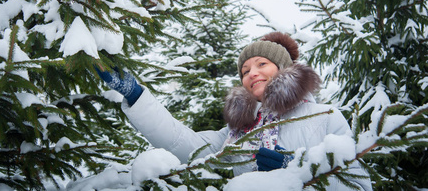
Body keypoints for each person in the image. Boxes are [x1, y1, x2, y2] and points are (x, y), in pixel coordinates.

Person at [96, 32, 372, 190]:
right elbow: (182, 142)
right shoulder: (235, 133)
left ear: (284, 69)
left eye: (262, 64)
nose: (252, 73)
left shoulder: (325, 118)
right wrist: (136, 95)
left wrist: (295, 173)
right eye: (245, 70)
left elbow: (357, 184)